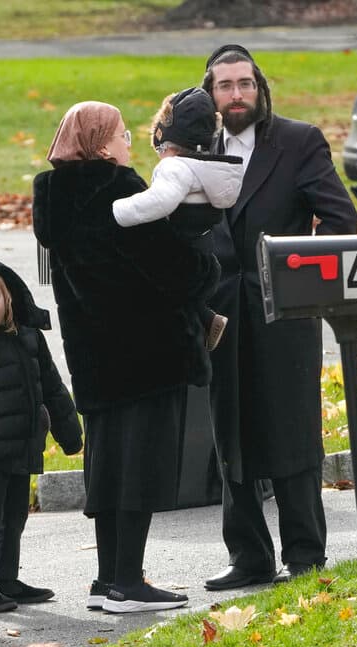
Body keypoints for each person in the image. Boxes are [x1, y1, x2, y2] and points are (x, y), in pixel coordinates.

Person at [33, 101, 210, 613]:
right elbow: (182, 271)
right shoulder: (120, 191)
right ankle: (129, 583)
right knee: (141, 467)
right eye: (122, 134)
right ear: (100, 143)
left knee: (108, 466)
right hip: (147, 355)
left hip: (95, 359)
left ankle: (108, 577)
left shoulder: (56, 202)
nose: (130, 143)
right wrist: (202, 257)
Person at [199, 45, 357, 591]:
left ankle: (306, 555)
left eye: (245, 83)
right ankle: (249, 557)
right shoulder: (196, 149)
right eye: (225, 85)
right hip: (218, 316)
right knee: (229, 434)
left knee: (292, 433)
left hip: (284, 314)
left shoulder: (297, 141)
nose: (237, 94)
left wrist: (296, 280)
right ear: (211, 94)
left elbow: (340, 219)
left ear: (259, 88)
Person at [0, 255, 83, 613]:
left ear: (9, 296)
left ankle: (6, 578)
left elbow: (53, 388)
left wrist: (69, 433)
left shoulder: (28, 338)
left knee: (16, 516)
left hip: (24, 445)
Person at [112, 86, 243, 352]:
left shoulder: (175, 167)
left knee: (157, 291)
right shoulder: (210, 168)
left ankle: (199, 326)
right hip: (205, 249)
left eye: (159, 146)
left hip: (178, 249)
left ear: (168, 140)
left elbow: (159, 202)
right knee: (184, 299)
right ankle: (208, 321)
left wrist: (117, 210)